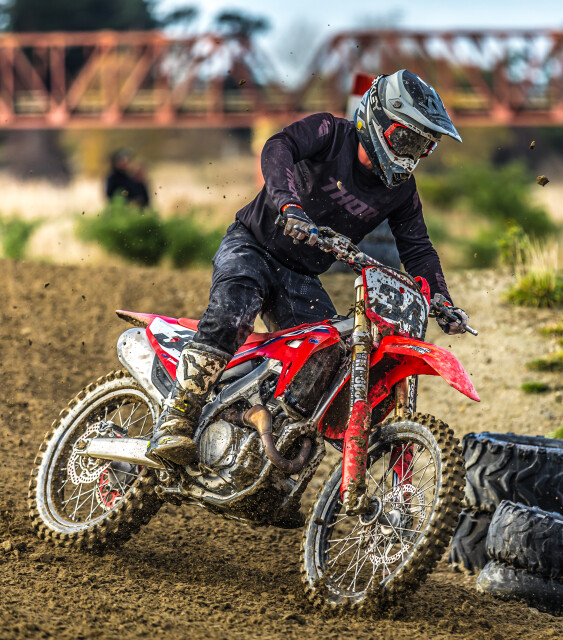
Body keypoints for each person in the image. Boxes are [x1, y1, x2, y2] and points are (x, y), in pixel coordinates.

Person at [147, 69, 470, 465]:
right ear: (378, 120)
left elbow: (417, 247)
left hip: (300, 277)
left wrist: (441, 299)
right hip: (252, 244)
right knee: (233, 313)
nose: (411, 155)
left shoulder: (401, 190)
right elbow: (278, 147)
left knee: (330, 361)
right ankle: (177, 418)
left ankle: (270, 451)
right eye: (407, 140)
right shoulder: (332, 133)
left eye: (423, 147)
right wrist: (289, 205)